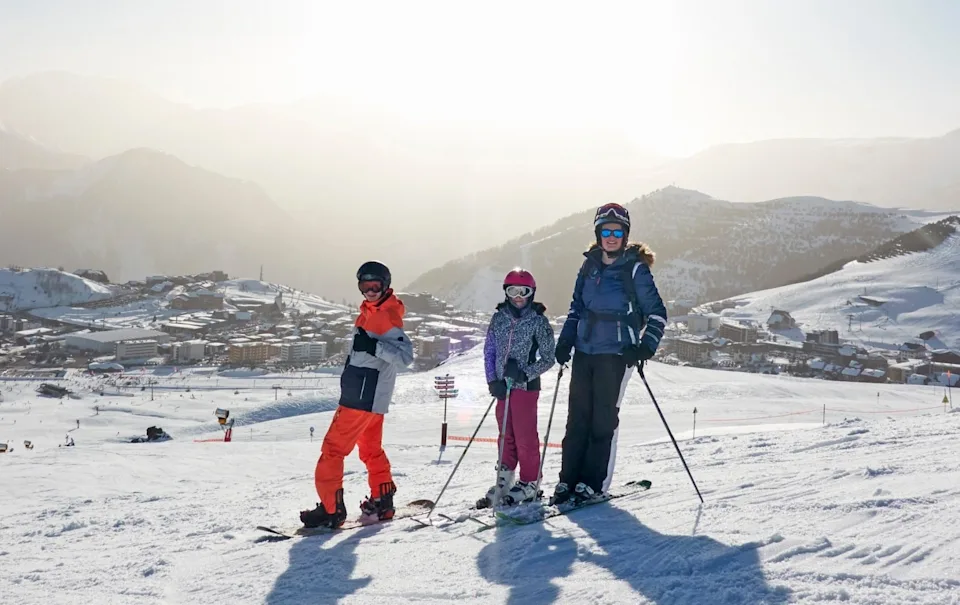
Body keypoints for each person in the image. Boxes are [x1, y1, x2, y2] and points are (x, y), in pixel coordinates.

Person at [552, 203, 667, 505]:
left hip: (617, 353)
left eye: (618, 231)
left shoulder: (635, 269)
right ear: (598, 233)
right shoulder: (589, 266)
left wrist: (645, 346)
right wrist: (565, 342)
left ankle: (594, 483)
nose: (612, 236)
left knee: (603, 419)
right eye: (606, 230)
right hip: (584, 349)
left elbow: (657, 313)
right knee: (577, 418)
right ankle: (568, 480)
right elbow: (576, 307)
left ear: (626, 235)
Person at [300, 261, 414, 528]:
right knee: (371, 450)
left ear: (385, 285)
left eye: (376, 286)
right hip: (369, 395)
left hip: (362, 396)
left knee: (332, 450)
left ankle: (331, 510)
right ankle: (383, 501)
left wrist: (373, 346)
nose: (371, 291)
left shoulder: (385, 315)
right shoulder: (372, 310)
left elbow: (405, 357)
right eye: (365, 286)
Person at [478, 269, 557, 508]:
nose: (518, 296)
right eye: (513, 291)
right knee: (505, 433)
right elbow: (490, 351)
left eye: (524, 291)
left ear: (532, 293)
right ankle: (505, 476)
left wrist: (525, 373)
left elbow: (549, 357)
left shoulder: (538, 321)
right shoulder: (499, 318)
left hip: (525, 387)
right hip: (503, 386)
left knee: (525, 436)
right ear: (506, 292)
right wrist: (493, 380)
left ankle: (531, 481)